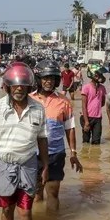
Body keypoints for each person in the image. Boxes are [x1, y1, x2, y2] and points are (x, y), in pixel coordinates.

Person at [0, 64, 49, 220]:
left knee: (25, 211)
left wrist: (45, 166)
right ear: (8, 86)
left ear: (29, 86)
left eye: (23, 85)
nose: (19, 89)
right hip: (3, 164)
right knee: (7, 208)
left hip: (28, 164)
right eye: (15, 85)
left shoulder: (38, 109)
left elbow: (42, 139)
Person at [31, 60, 84, 210]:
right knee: (35, 192)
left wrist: (73, 153)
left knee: (53, 193)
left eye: (52, 78)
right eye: (45, 78)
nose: (49, 82)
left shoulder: (64, 101)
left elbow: (70, 128)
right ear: (39, 79)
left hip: (55, 153)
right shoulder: (29, 99)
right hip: (32, 154)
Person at [80, 65, 107, 145]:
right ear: (91, 75)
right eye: (97, 75)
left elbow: (102, 103)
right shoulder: (86, 87)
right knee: (86, 142)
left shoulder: (102, 88)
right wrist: (86, 121)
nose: (99, 76)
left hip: (98, 118)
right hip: (87, 117)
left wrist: (96, 108)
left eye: (100, 74)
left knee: (96, 142)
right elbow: (83, 106)